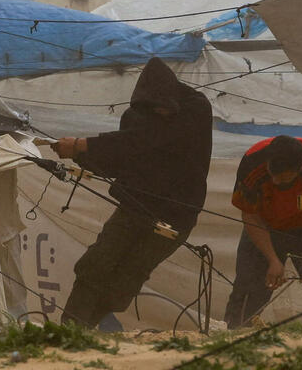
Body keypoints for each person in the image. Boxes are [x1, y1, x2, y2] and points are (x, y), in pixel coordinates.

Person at [50, 57, 212, 329]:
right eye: (156, 108)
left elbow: (148, 140)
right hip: (135, 206)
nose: (161, 112)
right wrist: (80, 156)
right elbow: (121, 160)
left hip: (177, 215)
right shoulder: (136, 116)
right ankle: (71, 330)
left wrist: (83, 145)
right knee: (95, 264)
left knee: (127, 279)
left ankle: (87, 325)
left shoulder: (195, 108)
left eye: (165, 107)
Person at [224, 135, 302, 328]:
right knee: (248, 286)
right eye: (273, 175)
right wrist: (272, 259)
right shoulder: (251, 162)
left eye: (284, 180)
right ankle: (232, 336)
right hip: (265, 224)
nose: (276, 182)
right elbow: (250, 215)